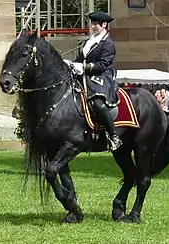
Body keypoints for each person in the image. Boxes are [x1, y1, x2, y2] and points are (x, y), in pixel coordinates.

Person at [67, 10, 122, 151]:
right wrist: (72, 64)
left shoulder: (108, 43)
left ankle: (113, 135)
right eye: (92, 23)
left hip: (102, 78)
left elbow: (103, 65)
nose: (93, 26)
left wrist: (83, 68)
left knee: (98, 103)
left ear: (104, 25)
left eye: (96, 24)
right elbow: (81, 58)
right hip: (86, 76)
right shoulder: (90, 41)